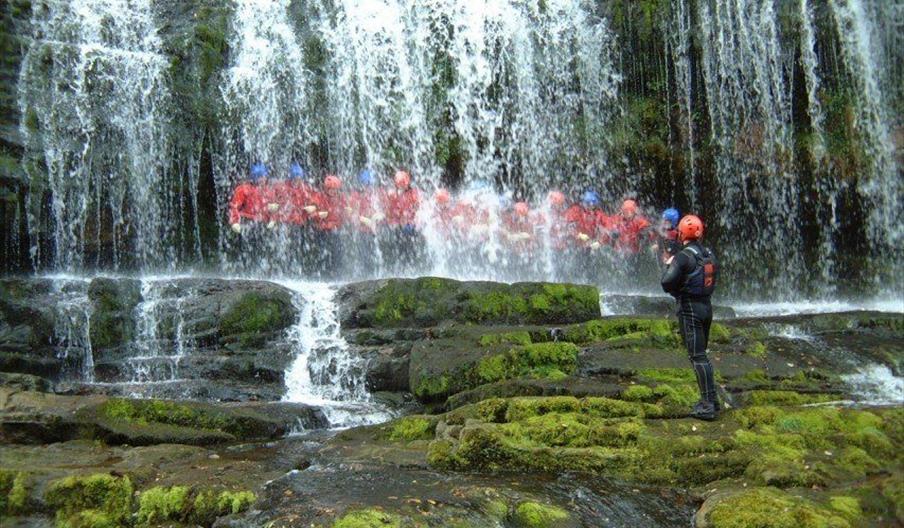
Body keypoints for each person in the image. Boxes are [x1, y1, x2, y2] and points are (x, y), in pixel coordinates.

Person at [660, 214, 720, 421]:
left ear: (681, 233)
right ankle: (712, 398)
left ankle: (708, 404)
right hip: (706, 307)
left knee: (697, 356)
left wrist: (669, 264)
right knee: (702, 354)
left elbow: (667, 282)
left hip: (690, 309)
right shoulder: (708, 253)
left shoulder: (683, 256)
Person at [228, 163, 267, 233]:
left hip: (262, 222)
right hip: (247, 221)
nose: (264, 179)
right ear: (255, 177)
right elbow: (234, 206)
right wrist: (235, 222)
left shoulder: (266, 190)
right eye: (261, 177)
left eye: (264, 176)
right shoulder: (243, 189)